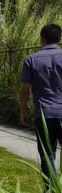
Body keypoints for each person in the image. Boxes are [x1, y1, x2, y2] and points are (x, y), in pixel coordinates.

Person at [20, 23, 62, 184]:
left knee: (47, 155)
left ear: (41, 39)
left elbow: (25, 90)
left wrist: (22, 112)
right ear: (59, 39)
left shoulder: (31, 59)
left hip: (44, 115)